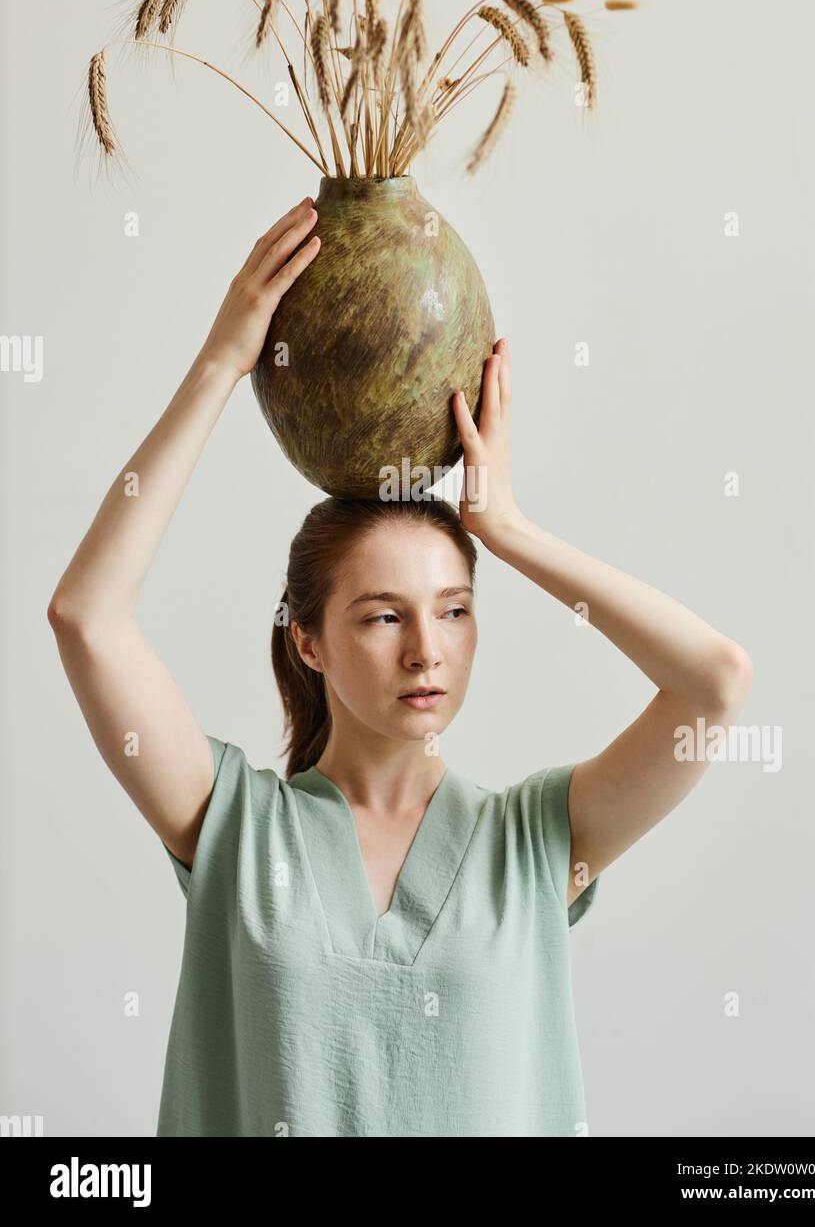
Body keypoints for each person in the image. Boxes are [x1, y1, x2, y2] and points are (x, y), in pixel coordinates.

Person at [48, 194, 753, 1138]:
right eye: (383, 616)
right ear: (308, 640)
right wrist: (223, 362)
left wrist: (508, 530)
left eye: (454, 612)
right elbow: (85, 617)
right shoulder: (234, 828)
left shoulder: (534, 843)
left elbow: (714, 682)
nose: (427, 650)